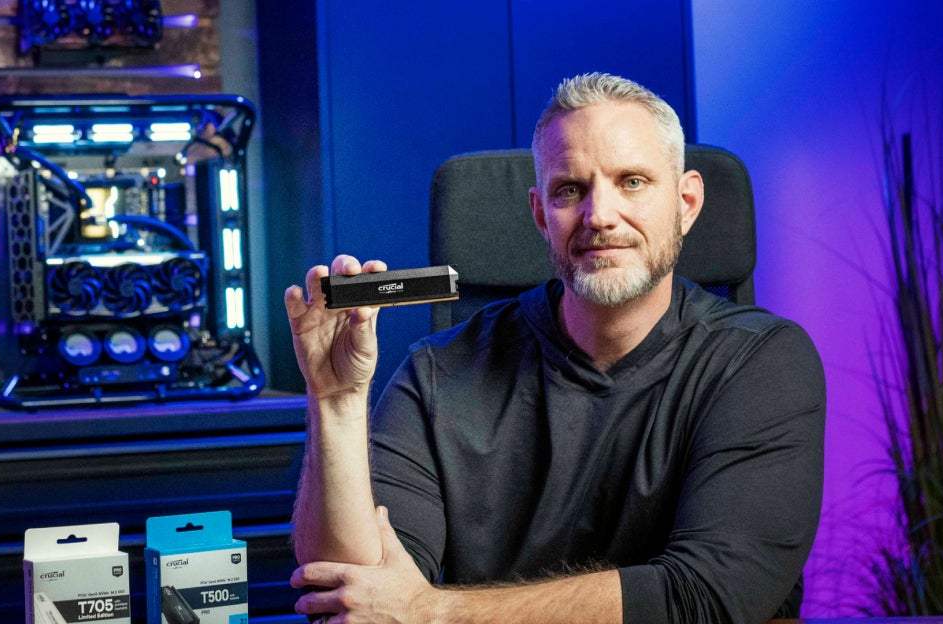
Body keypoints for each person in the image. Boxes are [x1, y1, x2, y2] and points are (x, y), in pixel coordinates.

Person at [285, 72, 826, 624]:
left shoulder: (761, 363)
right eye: (570, 189)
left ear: (686, 203)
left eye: (632, 182)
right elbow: (349, 596)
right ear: (541, 213)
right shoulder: (438, 373)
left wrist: (433, 612)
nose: (600, 216)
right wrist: (335, 401)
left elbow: (704, 599)